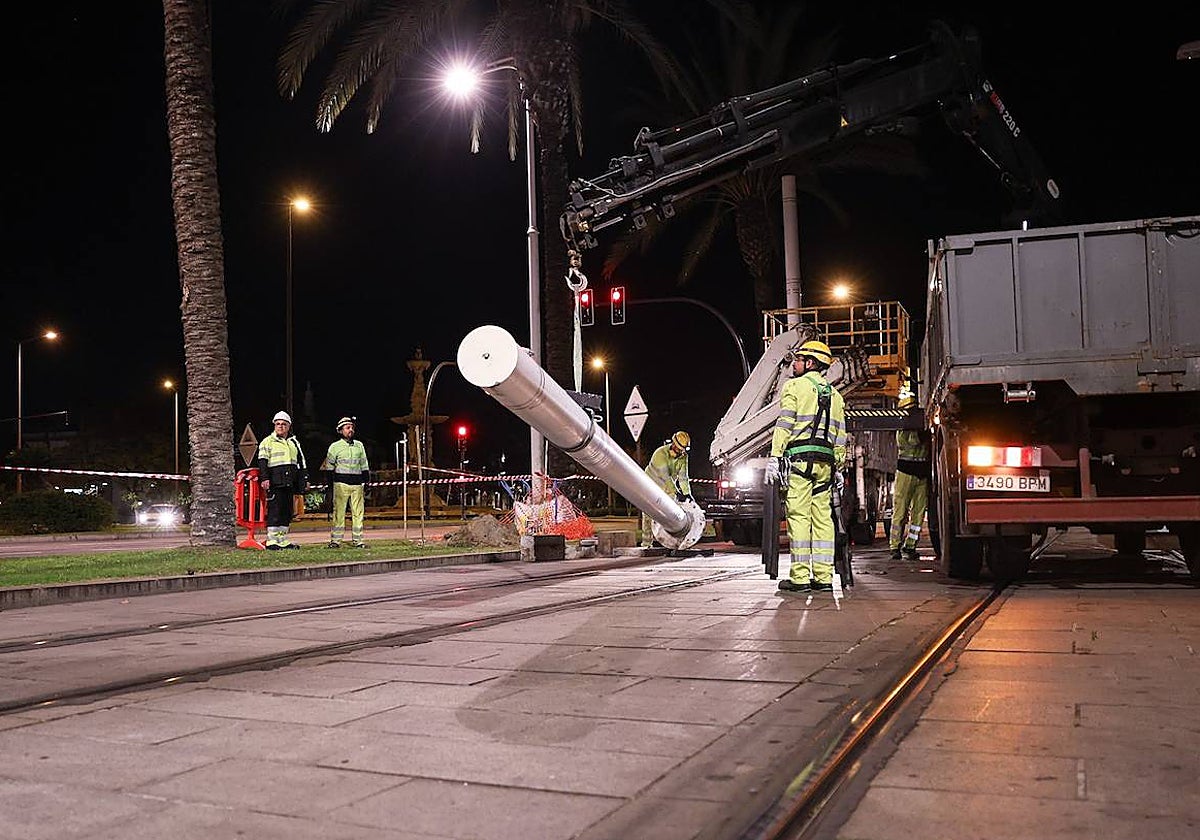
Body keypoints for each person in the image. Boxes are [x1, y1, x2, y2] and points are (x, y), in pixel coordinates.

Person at [765, 340, 846, 593]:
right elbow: (840, 437)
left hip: (800, 462)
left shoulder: (795, 387)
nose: (794, 364)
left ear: (810, 363)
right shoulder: (836, 397)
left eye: (798, 360)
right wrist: (839, 467)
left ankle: (800, 578)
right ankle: (823, 578)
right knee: (823, 519)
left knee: (799, 517)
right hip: (826, 465)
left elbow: (785, 425)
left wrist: (775, 456)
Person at [256, 411, 308, 550]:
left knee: (286, 512)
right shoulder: (267, 442)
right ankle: (272, 541)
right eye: (278, 424)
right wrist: (265, 478)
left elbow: (301, 462)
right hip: (275, 482)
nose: (280, 426)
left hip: (289, 482)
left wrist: (303, 480)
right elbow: (262, 462)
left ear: (289, 426)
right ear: (274, 425)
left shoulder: (294, 442)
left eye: (284, 424)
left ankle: (282, 540)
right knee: (275, 511)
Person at [890, 390, 931, 561]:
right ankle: (895, 546)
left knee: (918, 513)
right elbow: (914, 442)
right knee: (900, 511)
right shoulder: (903, 431)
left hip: (920, 473)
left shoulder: (915, 427)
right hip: (906, 473)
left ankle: (910, 546)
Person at [640, 431, 693, 548]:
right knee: (648, 514)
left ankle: (670, 543)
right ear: (673, 444)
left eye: (682, 450)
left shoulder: (683, 457)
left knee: (670, 513)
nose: (680, 452)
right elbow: (665, 477)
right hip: (650, 485)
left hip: (667, 488)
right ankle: (646, 544)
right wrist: (676, 492)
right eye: (679, 449)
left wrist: (687, 494)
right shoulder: (660, 454)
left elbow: (683, 477)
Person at [325, 416, 370, 548]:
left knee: (358, 514)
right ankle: (336, 541)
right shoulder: (334, 447)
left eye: (352, 427)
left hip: (357, 485)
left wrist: (366, 482)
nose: (350, 430)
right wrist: (330, 486)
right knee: (339, 513)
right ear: (340, 430)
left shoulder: (359, 445)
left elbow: (364, 464)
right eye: (347, 428)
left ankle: (358, 540)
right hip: (341, 484)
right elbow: (329, 467)